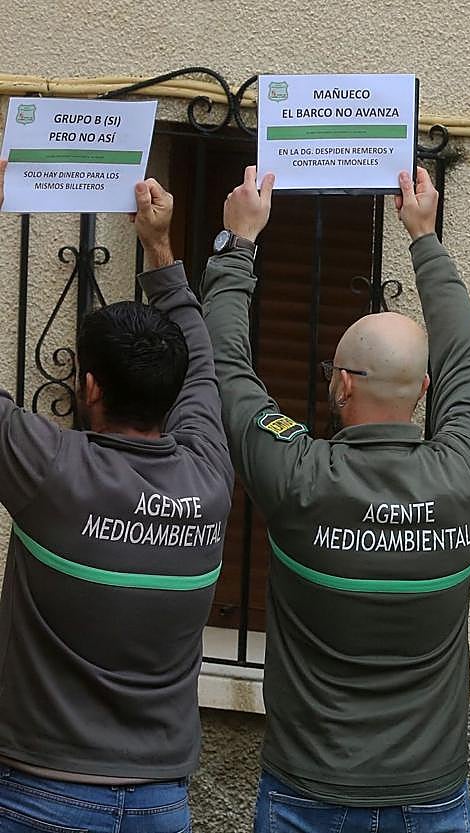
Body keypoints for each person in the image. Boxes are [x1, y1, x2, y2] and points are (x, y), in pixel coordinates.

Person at [201, 166, 470, 833]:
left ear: (339, 387)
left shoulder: (297, 475)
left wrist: (237, 240)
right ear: (424, 391)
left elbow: (225, 367)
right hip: (431, 799)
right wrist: (425, 237)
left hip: (308, 795)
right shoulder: (466, 475)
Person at [0, 160, 234, 832]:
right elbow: (201, 372)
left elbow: (198, 373)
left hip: (41, 794)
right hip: (162, 800)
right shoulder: (207, 478)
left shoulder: (52, 470)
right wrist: (161, 249)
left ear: (90, 387)